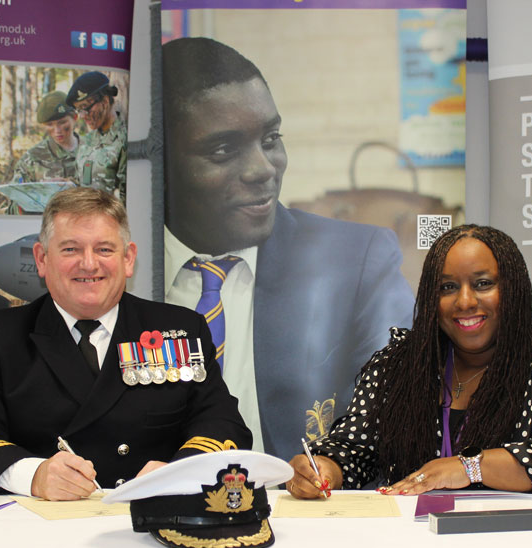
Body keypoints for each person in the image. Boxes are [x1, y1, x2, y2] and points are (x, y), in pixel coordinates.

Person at [162, 37, 414, 461]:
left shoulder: (355, 262)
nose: (263, 169)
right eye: (223, 149)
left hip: (310, 510)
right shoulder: (112, 271)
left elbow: (399, 410)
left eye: (271, 138)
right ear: (163, 161)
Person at [0, 187, 251, 500]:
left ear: (128, 259)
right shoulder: (2, 335)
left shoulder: (180, 329)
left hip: (151, 520)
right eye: (71, 250)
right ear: (42, 259)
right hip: (43, 525)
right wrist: (34, 476)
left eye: (104, 250)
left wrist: (179, 474)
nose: (89, 264)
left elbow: (223, 425)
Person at [286, 225, 532, 497]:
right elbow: (355, 450)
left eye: (483, 284)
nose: (465, 301)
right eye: (447, 287)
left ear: (512, 290)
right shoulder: (397, 366)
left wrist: (468, 467)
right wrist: (324, 469)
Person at [66, 71, 127, 202]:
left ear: (105, 101)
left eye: (85, 107)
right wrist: (64, 184)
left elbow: (128, 197)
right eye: (79, 110)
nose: (82, 116)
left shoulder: (124, 140)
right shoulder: (87, 141)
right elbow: (83, 182)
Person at [12, 91, 79, 185]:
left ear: (75, 118)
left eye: (62, 122)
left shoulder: (92, 150)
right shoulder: (32, 159)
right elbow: (16, 196)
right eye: (50, 125)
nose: (57, 130)